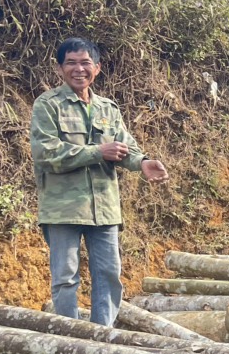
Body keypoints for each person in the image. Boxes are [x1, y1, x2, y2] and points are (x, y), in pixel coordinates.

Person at [30, 38, 169, 326]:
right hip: (63, 209)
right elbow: (45, 153)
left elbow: (125, 148)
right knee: (65, 277)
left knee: (108, 274)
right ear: (59, 68)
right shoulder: (48, 105)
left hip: (104, 208)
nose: (78, 69)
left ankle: (103, 336)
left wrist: (142, 163)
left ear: (97, 68)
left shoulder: (108, 108)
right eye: (71, 63)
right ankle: (69, 337)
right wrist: (97, 152)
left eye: (85, 63)